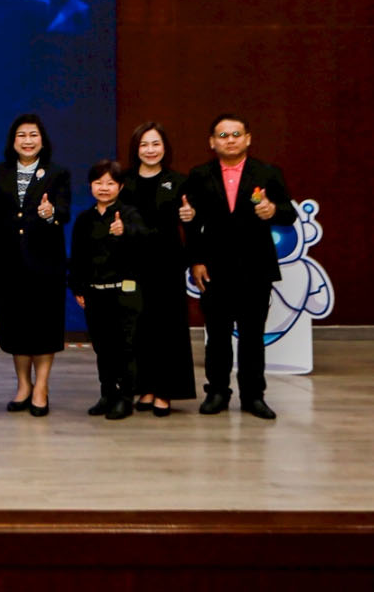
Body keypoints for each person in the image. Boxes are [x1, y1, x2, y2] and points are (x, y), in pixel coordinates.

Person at [179, 114, 296, 420]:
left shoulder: (267, 173)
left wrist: (272, 209)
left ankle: (253, 396)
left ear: (248, 138)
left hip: (255, 268)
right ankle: (217, 392)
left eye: (235, 134)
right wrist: (196, 260)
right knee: (217, 336)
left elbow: (288, 214)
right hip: (214, 269)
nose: (229, 140)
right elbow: (190, 221)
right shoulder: (199, 175)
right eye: (222, 135)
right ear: (211, 142)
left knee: (252, 336)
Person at [0, 113, 70, 417]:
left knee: (44, 327)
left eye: (33, 135)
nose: (27, 140)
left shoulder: (58, 173)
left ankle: (41, 388)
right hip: (9, 264)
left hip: (46, 264)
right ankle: (23, 385)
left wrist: (51, 212)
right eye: (21, 135)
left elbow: (64, 212)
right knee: (17, 328)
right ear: (13, 141)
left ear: (42, 140)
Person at [121, 121, 196, 416]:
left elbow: (191, 224)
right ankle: (146, 387)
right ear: (135, 149)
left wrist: (190, 216)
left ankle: (166, 390)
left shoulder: (179, 181)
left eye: (156, 144)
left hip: (167, 264)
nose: (150, 150)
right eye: (144, 144)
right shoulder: (124, 181)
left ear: (165, 148)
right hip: (132, 264)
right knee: (139, 328)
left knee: (168, 327)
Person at [69, 160, 149, 421]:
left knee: (125, 347)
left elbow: (145, 237)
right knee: (102, 348)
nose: (104, 188)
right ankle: (107, 394)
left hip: (124, 293)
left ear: (120, 186)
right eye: (98, 183)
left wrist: (125, 231)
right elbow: (77, 256)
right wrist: (77, 286)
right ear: (90, 186)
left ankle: (125, 398)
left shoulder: (129, 213)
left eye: (110, 183)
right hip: (95, 293)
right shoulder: (84, 219)